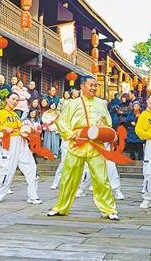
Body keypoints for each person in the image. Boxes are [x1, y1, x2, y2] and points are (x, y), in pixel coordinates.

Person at [47, 76, 119, 220]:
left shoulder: (101, 103)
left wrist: (108, 134)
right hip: (77, 144)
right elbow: (61, 122)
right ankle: (61, 207)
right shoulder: (73, 104)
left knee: (101, 178)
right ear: (82, 86)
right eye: (91, 85)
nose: (93, 88)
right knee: (68, 178)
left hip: (96, 144)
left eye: (95, 85)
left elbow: (108, 123)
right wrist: (70, 134)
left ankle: (109, 209)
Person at [0, 92, 41, 204]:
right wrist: (4, 128)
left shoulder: (15, 115)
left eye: (17, 100)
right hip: (10, 142)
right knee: (7, 170)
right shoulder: (2, 113)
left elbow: (21, 127)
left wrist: (28, 129)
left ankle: (33, 196)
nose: (15, 101)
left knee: (31, 167)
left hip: (22, 142)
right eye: (13, 99)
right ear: (7, 99)